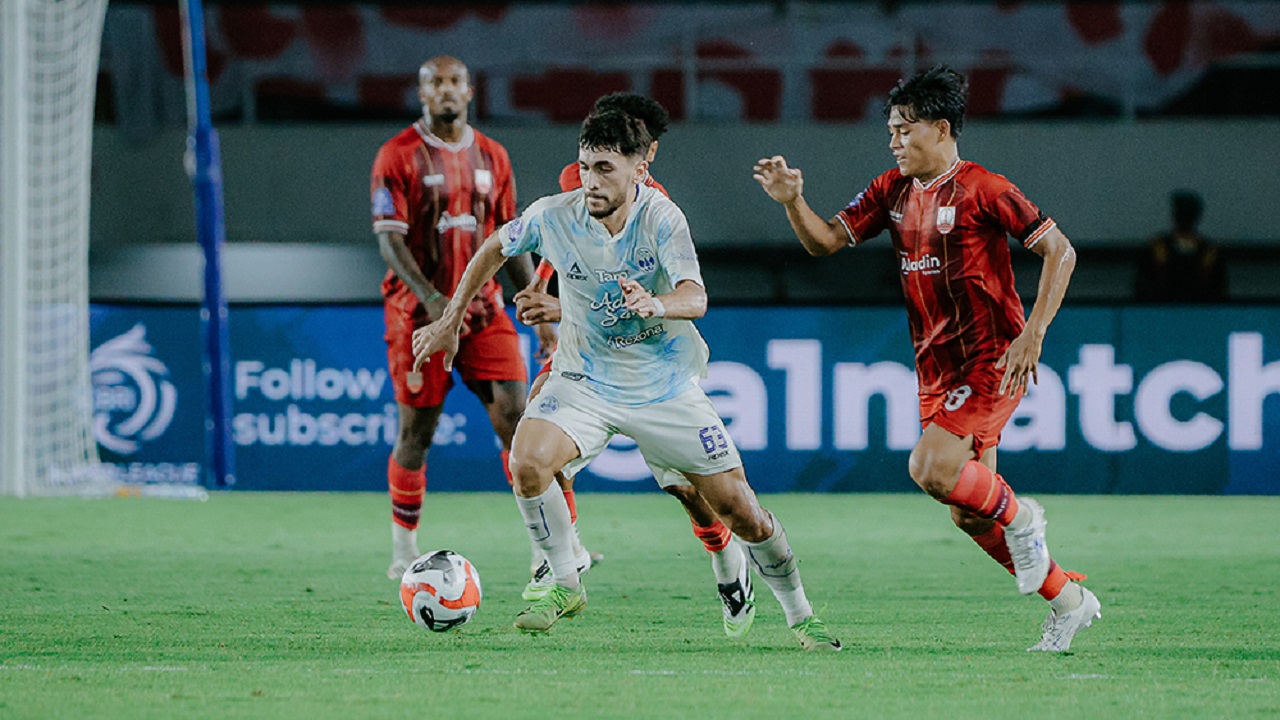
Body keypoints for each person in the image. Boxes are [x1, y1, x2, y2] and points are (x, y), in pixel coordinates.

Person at [413, 111, 840, 650]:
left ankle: (800, 616)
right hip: (585, 380)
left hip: (663, 388)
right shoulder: (554, 214)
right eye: (585, 167)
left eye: (605, 169)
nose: (591, 181)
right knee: (527, 461)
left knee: (741, 513)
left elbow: (696, 297)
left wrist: (656, 303)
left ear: (639, 169)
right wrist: (450, 320)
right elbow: (496, 245)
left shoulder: (662, 218)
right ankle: (565, 580)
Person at [753, 65, 1100, 653]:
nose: (893, 141)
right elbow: (826, 241)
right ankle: (1069, 600)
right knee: (968, 513)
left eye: (904, 129)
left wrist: (1034, 332)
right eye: (890, 130)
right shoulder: (891, 190)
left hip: (992, 360)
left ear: (940, 129)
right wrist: (793, 202)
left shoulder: (985, 189)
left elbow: (1059, 251)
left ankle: (1024, 519)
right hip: (936, 372)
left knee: (930, 468)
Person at [514, 94, 757, 638]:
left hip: (652, 361)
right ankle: (561, 559)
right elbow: (568, 240)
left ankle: (726, 559)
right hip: (589, 358)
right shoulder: (583, 181)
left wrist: (556, 307)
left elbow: (650, 296)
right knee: (539, 432)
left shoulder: (657, 209)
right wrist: (543, 286)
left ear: (646, 154)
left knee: (686, 488)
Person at [370, 56, 556, 580]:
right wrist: (432, 299)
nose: (446, 90)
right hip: (417, 316)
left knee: (519, 423)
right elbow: (389, 240)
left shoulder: (494, 155)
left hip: (484, 312)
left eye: (455, 81)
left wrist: (536, 305)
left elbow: (511, 238)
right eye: (436, 82)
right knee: (417, 432)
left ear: (470, 91)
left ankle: (548, 548)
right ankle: (404, 550)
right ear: (422, 93)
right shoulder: (397, 154)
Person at [1134, 190, 1227, 302]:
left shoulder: (1210, 252)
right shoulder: (1157, 248)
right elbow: (1142, 286)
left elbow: (1219, 289)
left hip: (1199, 309)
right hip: (1163, 309)